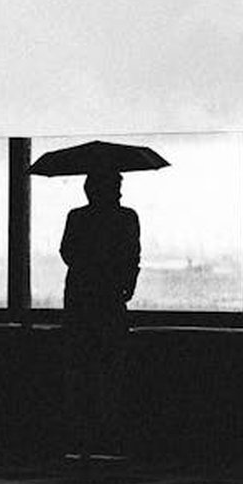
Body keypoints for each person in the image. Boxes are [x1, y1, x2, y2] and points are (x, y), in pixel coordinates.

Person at [60, 170, 140, 461]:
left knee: (80, 370)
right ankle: (109, 436)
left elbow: (67, 252)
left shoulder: (77, 218)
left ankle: (81, 436)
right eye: (116, 186)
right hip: (110, 299)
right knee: (111, 370)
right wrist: (124, 284)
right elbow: (133, 255)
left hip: (80, 299)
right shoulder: (127, 218)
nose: (119, 192)